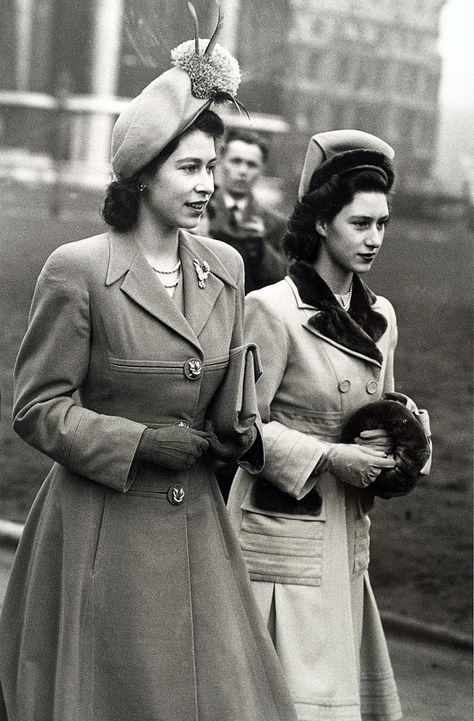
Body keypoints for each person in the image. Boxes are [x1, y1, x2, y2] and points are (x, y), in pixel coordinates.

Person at [0, 28, 297, 721]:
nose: (206, 185)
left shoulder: (225, 264)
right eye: (188, 168)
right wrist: (137, 442)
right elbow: (37, 406)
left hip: (197, 527)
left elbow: (229, 389)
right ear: (141, 175)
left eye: (212, 167)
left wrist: (235, 428)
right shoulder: (78, 270)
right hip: (102, 528)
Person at [228, 129, 418, 721]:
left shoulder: (381, 316)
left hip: (345, 537)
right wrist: (332, 457)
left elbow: (386, 410)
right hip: (280, 540)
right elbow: (240, 429)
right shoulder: (273, 309)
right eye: (360, 224)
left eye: (382, 224)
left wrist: (398, 439)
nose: (374, 239)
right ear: (320, 224)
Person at [206, 127, 287, 293]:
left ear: (261, 170)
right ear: (220, 162)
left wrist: (260, 246)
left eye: (251, 165)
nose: (243, 171)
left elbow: (282, 282)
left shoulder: (276, 224)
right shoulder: (200, 211)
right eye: (236, 161)